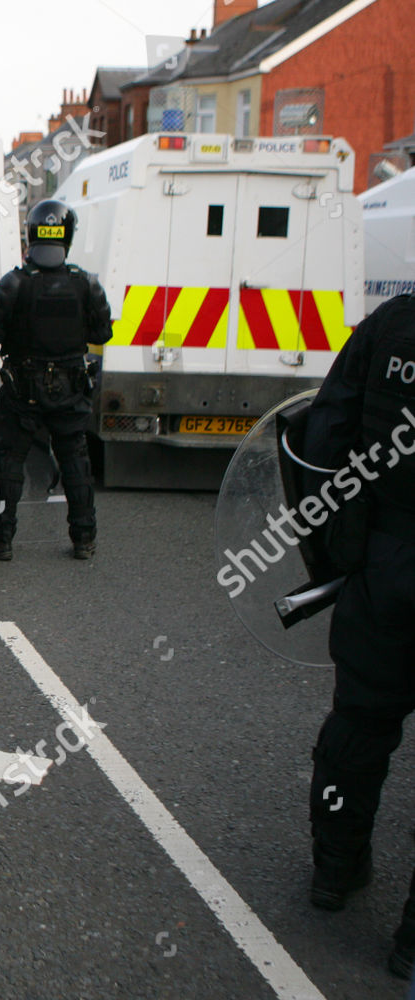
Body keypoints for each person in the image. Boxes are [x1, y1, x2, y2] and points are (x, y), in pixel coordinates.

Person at [300, 291, 415, 977]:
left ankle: (334, 872)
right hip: (388, 549)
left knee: (358, 726)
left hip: (386, 561)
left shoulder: (393, 324)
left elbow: (328, 429)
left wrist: (341, 542)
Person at [0, 199, 111, 561]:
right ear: (67, 237)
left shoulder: (15, 283)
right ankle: (84, 537)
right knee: (76, 464)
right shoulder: (85, 284)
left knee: (8, 466)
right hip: (70, 388)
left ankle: (0, 538)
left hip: (23, 390)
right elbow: (103, 331)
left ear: (31, 235)